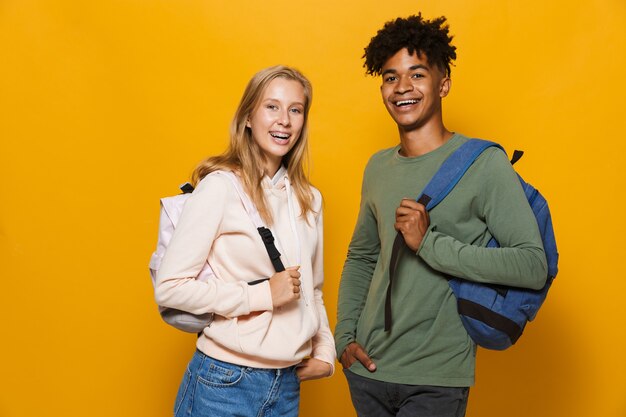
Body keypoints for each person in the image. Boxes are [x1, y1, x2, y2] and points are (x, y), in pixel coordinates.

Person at [334, 14, 547, 417]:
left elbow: (531, 264)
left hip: (436, 378)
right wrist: (344, 338)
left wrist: (429, 243)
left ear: (442, 83)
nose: (402, 88)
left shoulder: (484, 164)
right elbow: (362, 257)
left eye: (417, 74)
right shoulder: (378, 167)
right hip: (368, 372)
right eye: (390, 77)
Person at [155, 65, 335, 417]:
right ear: (249, 116)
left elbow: (312, 289)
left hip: (285, 387)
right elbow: (170, 288)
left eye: (295, 110)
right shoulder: (220, 187)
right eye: (272, 106)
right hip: (223, 382)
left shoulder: (309, 199)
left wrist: (325, 352)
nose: (284, 120)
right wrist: (263, 294)